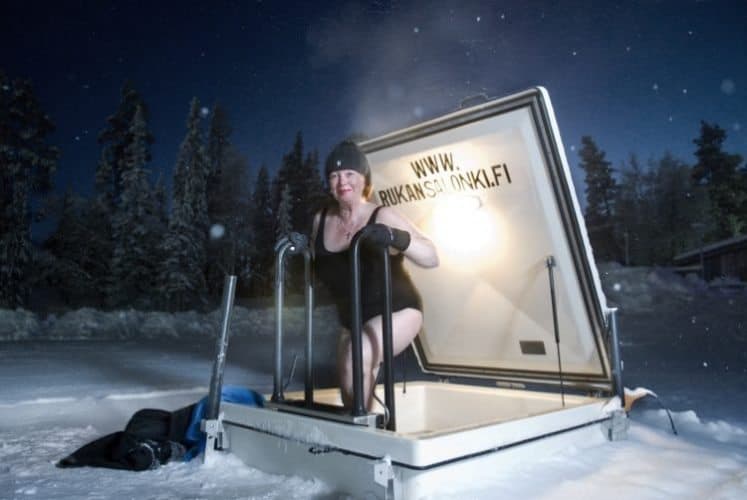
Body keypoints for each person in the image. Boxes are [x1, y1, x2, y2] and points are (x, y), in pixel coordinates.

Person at [311, 140, 439, 411]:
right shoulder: (321, 221)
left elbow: (431, 256)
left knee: (355, 359)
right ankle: (370, 438)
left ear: (364, 179)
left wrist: (395, 237)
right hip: (352, 318)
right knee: (351, 383)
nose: (341, 181)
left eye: (349, 174)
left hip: (397, 309)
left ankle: (370, 439)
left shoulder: (382, 215)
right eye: (334, 176)